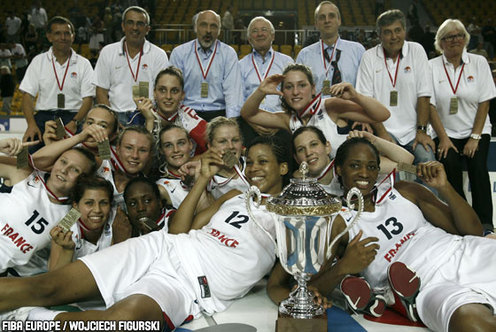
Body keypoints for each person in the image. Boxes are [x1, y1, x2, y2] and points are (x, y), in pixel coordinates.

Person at [0, 135, 291, 331]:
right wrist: (203, 178)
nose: (252, 169)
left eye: (262, 162)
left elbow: (278, 283)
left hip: (190, 286)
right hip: (161, 247)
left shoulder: (294, 217)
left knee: (120, 324)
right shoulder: (233, 198)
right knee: (46, 287)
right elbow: (178, 230)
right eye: (249, 161)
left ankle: (34, 319)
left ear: (284, 168)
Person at [271, 137, 495, 332]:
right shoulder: (336, 221)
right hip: (428, 286)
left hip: (463, 252)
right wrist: (344, 267)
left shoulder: (405, 191)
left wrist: (445, 187)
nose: (364, 173)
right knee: (470, 324)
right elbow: (306, 289)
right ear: (338, 169)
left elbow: (473, 231)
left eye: (371, 166)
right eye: (355, 165)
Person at [429, 19, 496, 230]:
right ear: (440, 43)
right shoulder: (431, 67)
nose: (454, 40)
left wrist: (475, 137)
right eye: (448, 37)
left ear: (465, 39)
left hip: (475, 130)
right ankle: (460, 220)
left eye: (458, 35)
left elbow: (484, 102)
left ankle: (485, 223)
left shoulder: (479, 62)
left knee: (478, 166)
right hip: (445, 132)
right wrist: (445, 138)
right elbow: (429, 106)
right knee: (450, 165)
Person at [241, 63, 390, 158]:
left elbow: (383, 115)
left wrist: (356, 96)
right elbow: (248, 114)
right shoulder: (288, 120)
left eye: (302, 85)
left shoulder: (330, 106)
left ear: (313, 89)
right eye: (288, 87)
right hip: (318, 184)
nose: (295, 92)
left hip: (347, 177)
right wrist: (261, 91)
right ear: (283, 93)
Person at [0, 138, 97, 277]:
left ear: (83, 180)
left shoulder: (70, 216)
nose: (64, 170)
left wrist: (67, 250)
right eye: (63, 161)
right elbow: (32, 160)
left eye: (75, 170)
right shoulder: (25, 175)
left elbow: (55, 273)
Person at [356, 10, 436, 167]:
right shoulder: (369, 57)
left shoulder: (417, 50)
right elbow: (367, 101)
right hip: (385, 130)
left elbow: (424, 95)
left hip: (414, 132)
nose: (394, 37)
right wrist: (382, 134)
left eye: (398, 30)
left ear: (404, 31)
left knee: (428, 164)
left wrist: (421, 131)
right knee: (392, 171)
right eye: (388, 32)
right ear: (379, 36)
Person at [19, 16, 94, 151]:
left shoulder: (84, 64)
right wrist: (31, 124)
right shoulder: (39, 61)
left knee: (76, 158)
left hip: (72, 117)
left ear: (73, 36)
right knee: (24, 155)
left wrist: (75, 122)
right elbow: (27, 95)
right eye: (57, 33)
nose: (63, 37)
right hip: (43, 118)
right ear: (49, 37)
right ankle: (22, 170)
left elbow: (88, 98)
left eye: (67, 33)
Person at [93, 6, 169, 125]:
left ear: (147, 29)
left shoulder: (158, 55)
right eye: (130, 23)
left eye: (140, 24)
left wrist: (152, 116)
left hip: (148, 114)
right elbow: (101, 90)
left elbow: (163, 90)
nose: (134, 28)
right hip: (115, 114)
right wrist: (111, 119)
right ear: (123, 26)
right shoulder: (108, 52)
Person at [169, 10, 243, 121]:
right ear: (195, 28)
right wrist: (176, 119)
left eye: (213, 26)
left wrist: (231, 122)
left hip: (219, 114)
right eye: (203, 25)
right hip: (187, 113)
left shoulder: (228, 54)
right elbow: (174, 89)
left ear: (219, 31)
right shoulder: (179, 53)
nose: (208, 31)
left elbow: (233, 92)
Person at [292, 126, 413, 193]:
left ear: (327, 147)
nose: (309, 153)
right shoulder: (299, 187)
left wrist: (374, 141)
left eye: (314, 144)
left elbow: (407, 163)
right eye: (301, 149)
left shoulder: (351, 163)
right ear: (296, 159)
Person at [132, 66, 208, 154]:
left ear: (182, 95)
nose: (168, 96)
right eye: (162, 90)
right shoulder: (139, 116)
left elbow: (214, 148)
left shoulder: (189, 119)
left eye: (174, 91)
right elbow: (139, 157)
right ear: (154, 93)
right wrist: (150, 121)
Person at [48, 176, 116, 271]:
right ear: (76, 206)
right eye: (89, 203)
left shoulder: (117, 217)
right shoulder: (65, 226)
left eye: (103, 203)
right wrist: (68, 250)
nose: (97, 210)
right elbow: (54, 278)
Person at [296, 1, 365, 94]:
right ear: (316, 24)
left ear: (339, 20)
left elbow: (365, 87)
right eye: (322, 17)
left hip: (351, 107)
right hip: (318, 107)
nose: (327, 20)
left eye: (331, 16)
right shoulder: (305, 55)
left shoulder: (357, 50)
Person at [239, 16, 294, 114]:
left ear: (273, 36)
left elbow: (292, 94)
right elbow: (238, 99)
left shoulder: (287, 62)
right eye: (255, 31)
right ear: (249, 39)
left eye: (264, 30)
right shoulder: (240, 65)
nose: (260, 34)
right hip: (250, 120)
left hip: (279, 120)